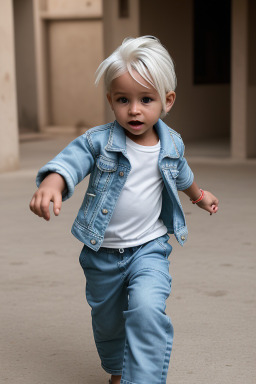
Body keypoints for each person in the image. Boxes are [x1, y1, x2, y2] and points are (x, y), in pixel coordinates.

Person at [29, 36, 219, 384]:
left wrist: (199, 195)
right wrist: (52, 183)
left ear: (167, 101)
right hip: (101, 253)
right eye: (123, 100)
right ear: (110, 101)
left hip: (150, 248)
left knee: (147, 311)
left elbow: (182, 174)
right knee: (109, 322)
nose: (134, 109)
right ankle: (118, 370)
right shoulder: (98, 141)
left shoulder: (171, 143)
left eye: (146, 99)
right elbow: (71, 162)